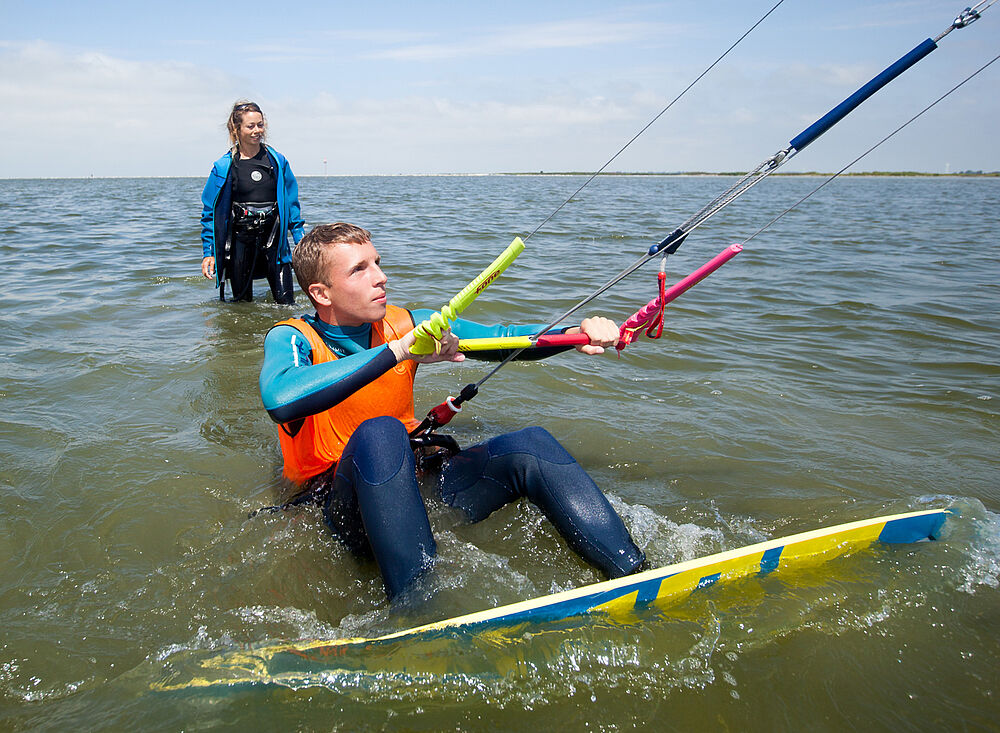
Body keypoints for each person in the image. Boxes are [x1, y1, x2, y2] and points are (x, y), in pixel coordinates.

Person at [258, 223, 646, 601]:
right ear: (321, 294)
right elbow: (281, 397)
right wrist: (399, 351)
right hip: (342, 508)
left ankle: (632, 572)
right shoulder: (293, 336)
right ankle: (419, 608)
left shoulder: (406, 323)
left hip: (414, 486)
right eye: (360, 269)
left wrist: (576, 335)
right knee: (382, 432)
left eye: (377, 262)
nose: (381, 277)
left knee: (531, 444)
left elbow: (501, 337)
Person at [200, 101, 304, 303]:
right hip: (240, 241)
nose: (257, 131)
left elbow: (292, 205)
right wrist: (209, 253)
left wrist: (301, 240)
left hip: (274, 240)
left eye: (260, 125)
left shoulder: (277, 161)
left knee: (286, 304)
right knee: (241, 306)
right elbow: (209, 213)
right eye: (250, 126)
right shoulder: (223, 166)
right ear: (236, 129)